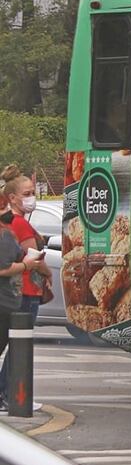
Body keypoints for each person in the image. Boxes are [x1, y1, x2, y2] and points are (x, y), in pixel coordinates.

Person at [0, 166, 50, 411]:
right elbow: (34, 259)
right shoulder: (17, 224)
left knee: (15, 346)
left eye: (33, 192)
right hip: (26, 291)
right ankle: (11, 394)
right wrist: (47, 272)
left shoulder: (15, 223)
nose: (33, 197)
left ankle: (8, 394)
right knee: (19, 347)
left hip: (21, 290)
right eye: (28, 193)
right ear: (12, 198)